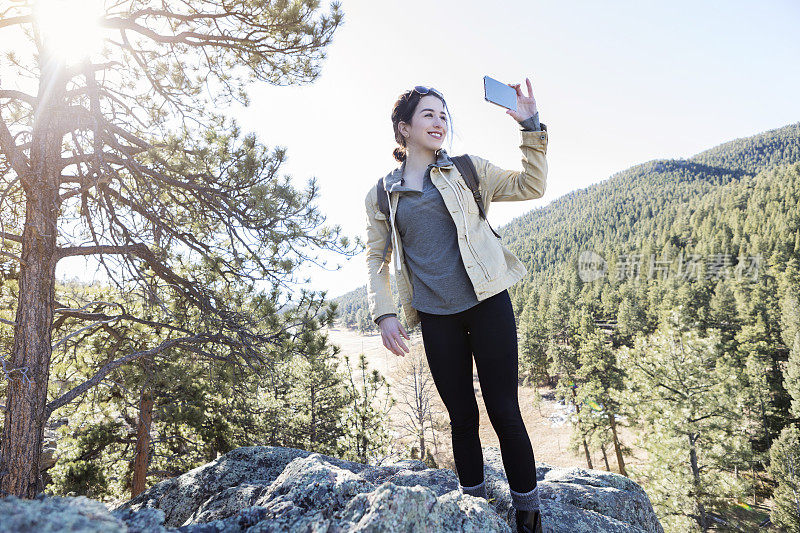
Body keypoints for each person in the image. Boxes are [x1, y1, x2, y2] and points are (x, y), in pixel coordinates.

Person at [363, 79, 548, 533]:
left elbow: (531, 185)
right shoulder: (381, 195)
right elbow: (375, 256)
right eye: (428, 114)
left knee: (504, 409)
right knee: (461, 417)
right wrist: (385, 312)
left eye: (444, 115)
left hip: (487, 302)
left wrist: (530, 126)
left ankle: (528, 512)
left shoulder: (468, 170)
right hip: (435, 316)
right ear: (403, 129)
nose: (439, 122)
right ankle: (474, 512)